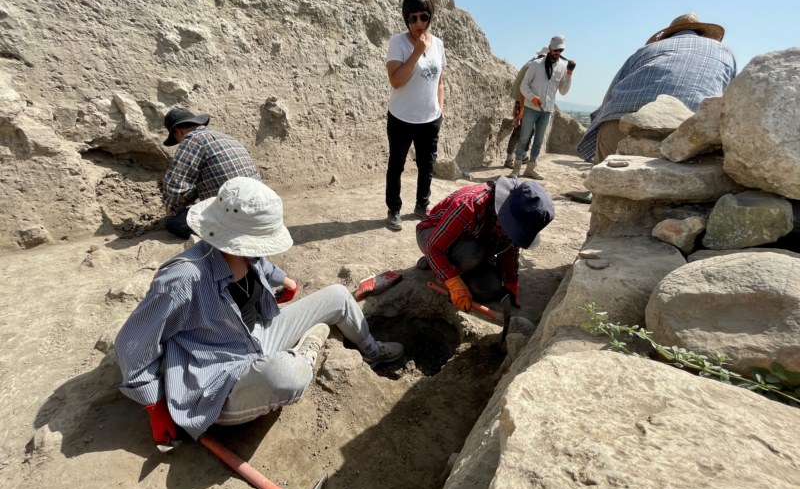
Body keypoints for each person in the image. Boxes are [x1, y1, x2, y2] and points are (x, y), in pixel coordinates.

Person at [115, 177, 404, 444]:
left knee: (338, 296)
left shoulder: (245, 252)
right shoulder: (182, 279)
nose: (261, 249)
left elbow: (263, 265)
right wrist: (155, 406)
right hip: (219, 381)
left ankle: (371, 351)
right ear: (234, 235)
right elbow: (132, 344)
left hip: (257, 335)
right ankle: (307, 350)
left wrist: (284, 280)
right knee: (289, 374)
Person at [577, 13, 737, 167]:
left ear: (667, 36)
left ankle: (597, 192)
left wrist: (594, 133)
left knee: (605, 182)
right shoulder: (725, 52)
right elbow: (728, 103)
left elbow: (609, 98)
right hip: (685, 133)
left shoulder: (647, 50)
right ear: (702, 34)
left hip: (620, 123)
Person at [416, 176, 554, 311]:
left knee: (489, 289)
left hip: (470, 242)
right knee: (472, 254)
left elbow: (509, 248)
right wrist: (454, 283)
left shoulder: (515, 213)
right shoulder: (468, 205)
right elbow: (434, 248)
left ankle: (447, 267)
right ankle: (439, 266)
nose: (511, 232)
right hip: (432, 236)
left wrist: (511, 281)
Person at [384, 0, 447, 232]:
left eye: (424, 16)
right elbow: (396, 80)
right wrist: (417, 52)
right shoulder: (398, 43)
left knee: (427, 165)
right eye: (413, 17)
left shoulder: (439, 44)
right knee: (396, 165)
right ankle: (394, 210)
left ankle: (422, 205)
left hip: (429, 118)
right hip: (401, 117)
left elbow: (440, 80)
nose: (419, 23)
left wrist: (439, 109)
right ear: (406, 17)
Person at [161, 107, 261, 239]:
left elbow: (174, 183)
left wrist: (173, 209)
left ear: (178, 131)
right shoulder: (226, 138)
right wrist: (185, 200)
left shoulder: (192, 138)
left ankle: (225, 233)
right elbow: (211, 179)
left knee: (173, 224)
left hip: (236, 214)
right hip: (259, 208)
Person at [512, 35, 576, 180]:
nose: (556, 53)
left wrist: (569, 74)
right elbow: (524, 85)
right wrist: (532, 97)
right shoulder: (536, 64)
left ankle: (530, 169)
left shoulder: (561, 67)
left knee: (538, 141)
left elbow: (563, 91)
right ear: (550, 48)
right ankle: (516, 170)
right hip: (530, 108)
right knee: (523, 138)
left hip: (547, 110)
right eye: (554, 50)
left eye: (559, 51)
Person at [503, 47, 549, 169]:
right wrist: (521, 109)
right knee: (518, 131)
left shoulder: (530, 64)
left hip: (522, 102)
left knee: (529, 130)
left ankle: (522, 156)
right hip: (522, 103)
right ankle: (509, 159)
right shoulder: (533, 66)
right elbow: (524, 90)